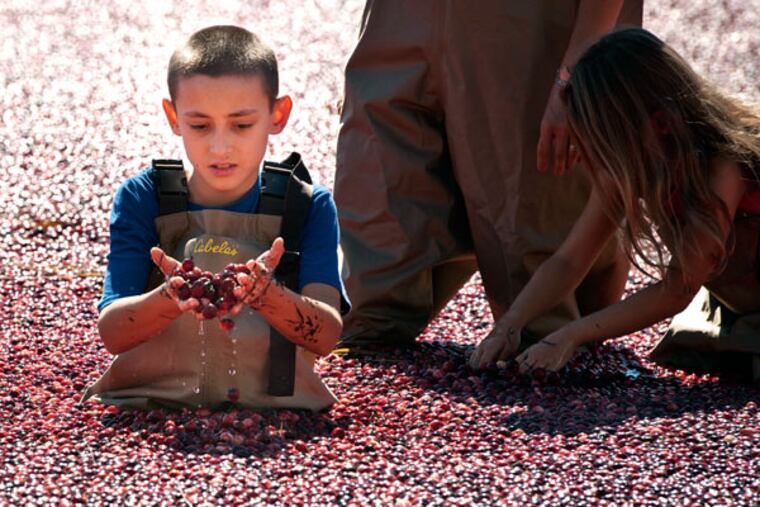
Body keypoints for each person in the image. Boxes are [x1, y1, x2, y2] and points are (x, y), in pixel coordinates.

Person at [334, 0, 642, 351]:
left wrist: (577, 67)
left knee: (540, 307)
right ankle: (381, 319)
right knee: (382, 165)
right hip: (405, 15)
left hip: (531, 23)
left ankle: (552, 337)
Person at [469, 28, 760, 383]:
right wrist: (509, 325)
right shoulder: (629, 166)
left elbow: (679, 288)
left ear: (661, 124)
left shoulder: (724, 168)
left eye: (608, 143)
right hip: (736, 303)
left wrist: (572, 334)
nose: (601, 161)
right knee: (692, 346)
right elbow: (569, 259)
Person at [83, 26, 349, 410]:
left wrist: (268, 295)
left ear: (278, 114)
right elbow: (112, 333)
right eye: (200, 125)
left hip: (277, 414)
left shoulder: (307, 205)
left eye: (242, 125)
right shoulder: (143, 198)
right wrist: (171, 296)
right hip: (150, 406)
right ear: (173, 117)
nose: (220, 146)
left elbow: (326, 336)